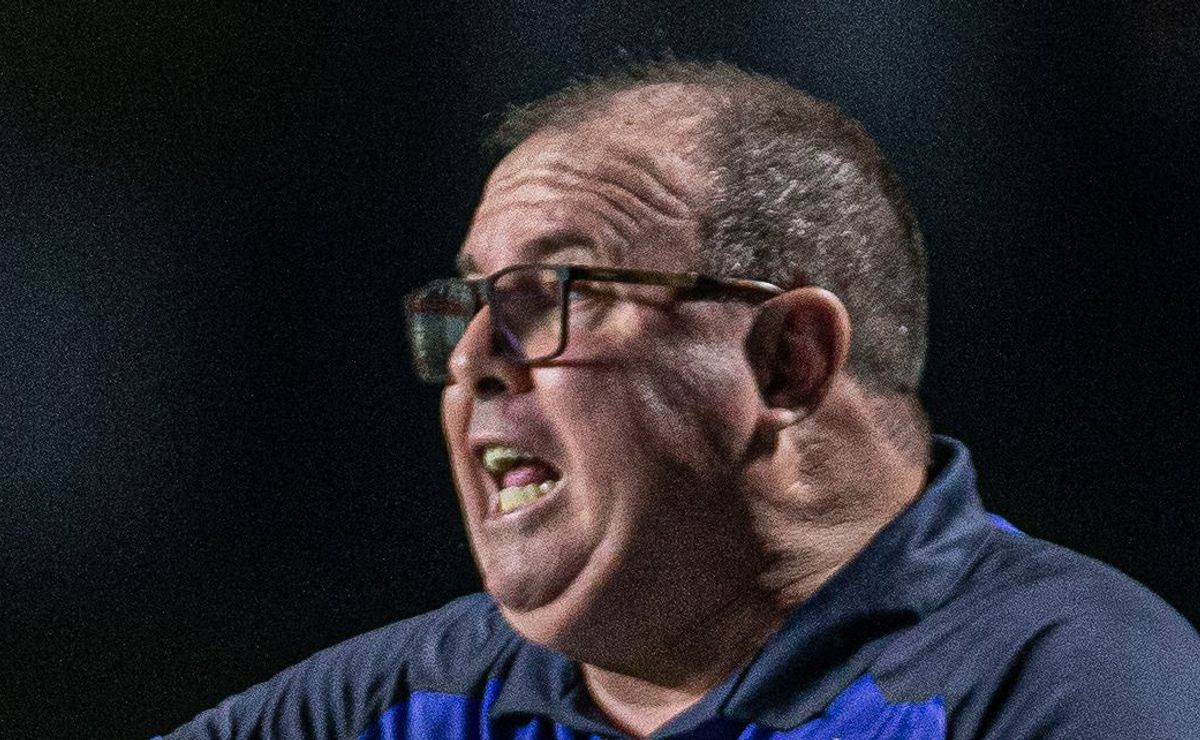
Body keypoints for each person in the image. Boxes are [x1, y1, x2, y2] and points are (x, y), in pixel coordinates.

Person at [159, 61, 1199, 739]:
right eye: (468, 305)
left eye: (554, 293)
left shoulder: (1065, 689)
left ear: (787, 362)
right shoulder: (399, 705)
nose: (474, 357)